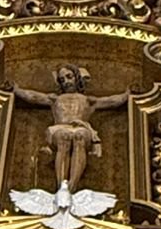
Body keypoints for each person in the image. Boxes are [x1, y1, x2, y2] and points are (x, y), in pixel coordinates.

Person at [11, 64, 129, 192]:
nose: (66, 82)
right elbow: (33, 96)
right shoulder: (55, 99)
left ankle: (72, 186)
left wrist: (128, 94)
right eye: (62, 80)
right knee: (64, 137)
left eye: (69, 77)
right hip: (60, 129)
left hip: (81, 127)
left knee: (80, 136)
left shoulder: (88, 100)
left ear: (77, 78)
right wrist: (16, 90)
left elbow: (112, 101)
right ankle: (61, 187)